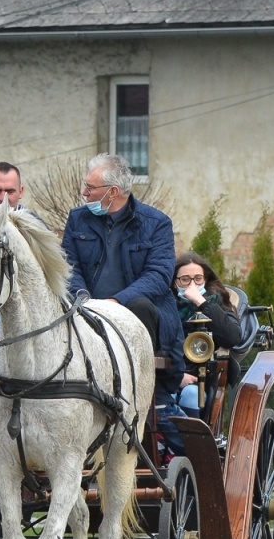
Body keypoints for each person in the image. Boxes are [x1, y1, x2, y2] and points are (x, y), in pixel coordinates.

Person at [60, 153, 182, 386]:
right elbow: (68, 266)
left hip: (136, 315)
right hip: (85, 309)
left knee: (140, 305)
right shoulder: (78, 219)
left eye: (90, 187)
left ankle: (139, 386)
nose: (84, 193)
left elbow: (159, 276)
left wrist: (117, 302)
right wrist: (84, 299)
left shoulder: (156, 223)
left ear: (112, 192)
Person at [158, 253, 245, 453]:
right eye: (185, 280)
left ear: (205, 279)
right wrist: (177, 376)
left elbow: (233, 337)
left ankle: (192, 450)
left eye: (198, 279)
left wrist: (201, 302)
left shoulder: (218, 303)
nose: (191, 285)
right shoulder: (164, 307)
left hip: (204, 379)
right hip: (167, 377)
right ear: (174, 283)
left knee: (190, 395)